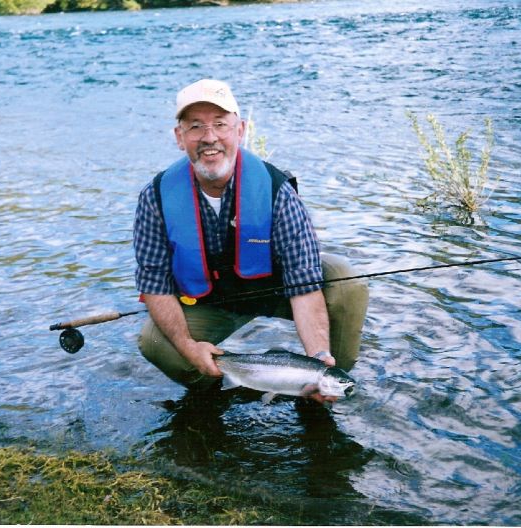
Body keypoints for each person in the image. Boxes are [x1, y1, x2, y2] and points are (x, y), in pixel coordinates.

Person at [134, 79, 368, 404]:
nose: (209, 137)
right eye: (196, 127)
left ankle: (324, 386)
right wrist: (188, 347)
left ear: (240, 130)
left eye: (220, 125)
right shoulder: (155, 198)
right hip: (210, 301)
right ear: (179, 137)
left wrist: (318, 355)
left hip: (277, 291)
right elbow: (155, 285)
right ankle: (217, 389)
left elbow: (304, 284)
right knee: (154, 342)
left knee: (344, 280)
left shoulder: (275, 191)